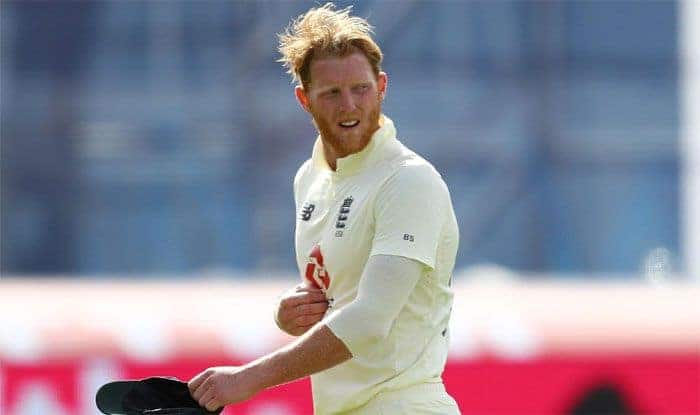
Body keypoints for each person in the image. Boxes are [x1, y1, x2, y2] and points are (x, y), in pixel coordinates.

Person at [188, 3, 460, 414]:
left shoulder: (409, 180)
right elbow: (336, 293)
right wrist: (290, 313)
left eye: (361, 89)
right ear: (305, 99)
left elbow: (370, 319)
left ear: (382, 87)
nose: (349, 105)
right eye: (332, 93)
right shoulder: (309, 179)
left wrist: (249, 378)